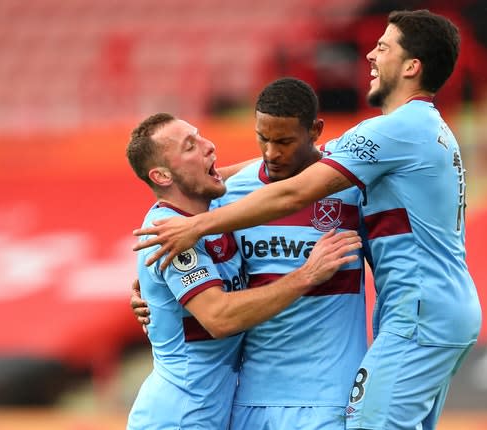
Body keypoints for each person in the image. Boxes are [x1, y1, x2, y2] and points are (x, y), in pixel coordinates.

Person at [133, 10, 483, 430]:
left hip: (418, 314)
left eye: (384, 47)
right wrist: (155, 288)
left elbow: (298, 187)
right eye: (265, 140)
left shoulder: (392, 134)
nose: (370, 54)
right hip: (414, 314)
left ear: (412, 66)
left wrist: (194, 225)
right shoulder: (400, 136)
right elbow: (301, 163)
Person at [131, 78, 369, 429]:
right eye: (190, 146)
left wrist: (150, 287)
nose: (271, 152)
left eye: (284, 141)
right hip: (194, 413)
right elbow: (219, 316)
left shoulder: (347, 185)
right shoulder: (195, 220)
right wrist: (307, 274)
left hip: (312, 397)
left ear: (314, 131)